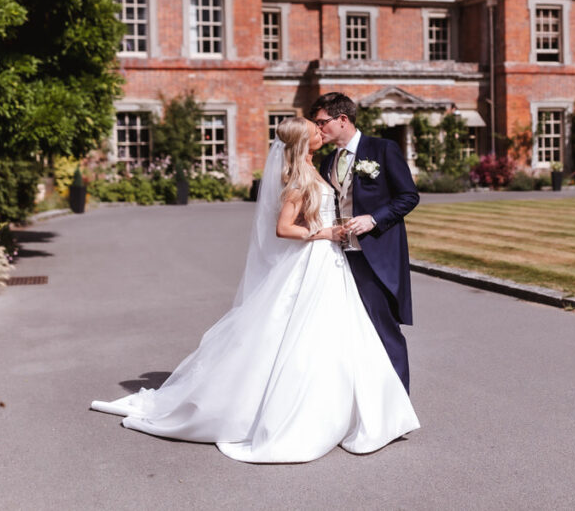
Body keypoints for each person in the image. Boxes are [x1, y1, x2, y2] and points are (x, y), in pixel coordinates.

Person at [90, 117, 419, 463]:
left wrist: (333, 230)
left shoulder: (318, 166)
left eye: (321, 126)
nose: (320, 132)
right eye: (314, 130)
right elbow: (283, 228)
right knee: (304, 334)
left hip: (330, 261)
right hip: (315, 256)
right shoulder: (298, 178)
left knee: (339, 333)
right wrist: (325, 234)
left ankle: (356, 407)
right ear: (303, 141)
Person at [309, 93, 419, 392]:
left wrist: (374, 218)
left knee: (383, 327)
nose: (319, 130)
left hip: (375, 253)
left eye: (322, 123)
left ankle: (398, 402)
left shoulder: (382, 149)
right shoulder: (329, 160)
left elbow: (408, 196)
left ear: (342, 119)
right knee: (349, 329)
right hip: (337, 256)